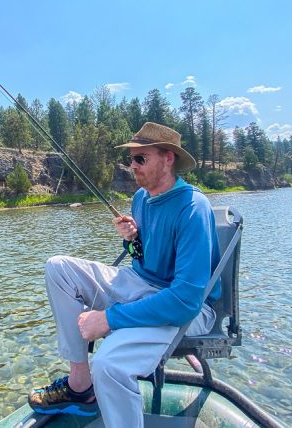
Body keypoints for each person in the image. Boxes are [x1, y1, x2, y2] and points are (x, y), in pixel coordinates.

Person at [28, 122, 222, 427]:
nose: (132, 166)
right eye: (130, 159)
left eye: (140, 159)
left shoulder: (193, 207)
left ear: (168, 158)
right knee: (58, 268)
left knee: (108, 365)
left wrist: (108, 319)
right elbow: (141, 258)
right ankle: (80, 385)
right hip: (141, 284)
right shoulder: (142, 198)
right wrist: (131, 240)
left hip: (190, 308)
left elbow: (186, 300)